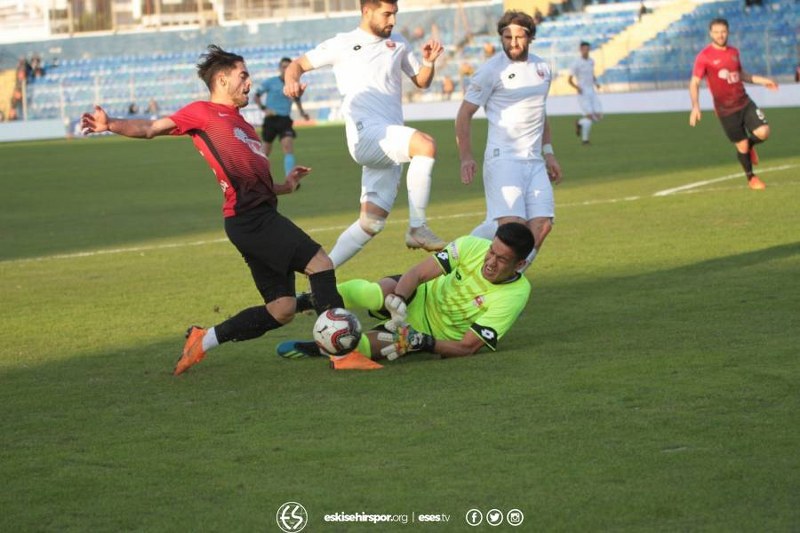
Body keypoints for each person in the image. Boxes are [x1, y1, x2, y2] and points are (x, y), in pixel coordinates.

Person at [80, 45, 346, 376]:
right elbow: (150, 128)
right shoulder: (202, 113)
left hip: (252, 219)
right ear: (222, 79)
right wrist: (111, 123)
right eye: (243, 75)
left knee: (282, 309)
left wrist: (286, 186)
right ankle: (343, 353)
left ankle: (201, 341)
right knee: (321, 263)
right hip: (252, 220)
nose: (249, 82)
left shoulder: (244, 126)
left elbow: (255, 182)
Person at [283, 0, 448, 267]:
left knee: (371, 223)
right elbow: (297, 65)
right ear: (366, 11)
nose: (392, 20)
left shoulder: (399, 43)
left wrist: (428, 62)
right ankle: (418, 227)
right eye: (386, 14)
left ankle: (321, 276)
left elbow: (421, 81)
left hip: (388, 140)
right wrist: (292, 81)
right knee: (425, 145)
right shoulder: (342, 43)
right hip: (367, 134)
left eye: (395, 14)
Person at [278, 222, 534, 366]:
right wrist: (398, 299)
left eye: (501, 260)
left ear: (520, 264)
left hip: (428, 334)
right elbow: (418, 274)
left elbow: (468, 347)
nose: (490, 261)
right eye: (491, 251)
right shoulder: (471, 245)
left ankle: (323, 346)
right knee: (374, 294)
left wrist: (423, 342)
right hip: (419, 295)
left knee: (362, 346)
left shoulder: (515, 295)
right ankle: (310, 299)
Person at [455, 10, 562, 272]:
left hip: (534, 161)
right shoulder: (490, 71)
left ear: (530, 37)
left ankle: (510, 278)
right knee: (511, 229)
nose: (513, 42)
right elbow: (464, 114)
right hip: (503, 159)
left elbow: (541, 113)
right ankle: (456, 260)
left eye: (519, 36)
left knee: (542, 225)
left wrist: (548, 153)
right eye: (507, 36)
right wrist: (466, 157)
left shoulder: (542, 69)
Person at [689, 18, 778, 190]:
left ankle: (751, 146)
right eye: (716, 32)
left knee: (764, 132)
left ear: (728, 32)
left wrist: (764, 81)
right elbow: (694, 82)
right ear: (710, 33)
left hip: (744, 102)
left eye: (723, 31)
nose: (720, 35)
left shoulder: (734, 52)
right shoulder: (704, 57)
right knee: (741, 145)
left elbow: (742, 74)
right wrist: (695, 105)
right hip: (726, 110)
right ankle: (751, 178)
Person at [254, 57, 310, 178]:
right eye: (283, 67)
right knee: (265, 151)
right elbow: (256, 96)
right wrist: (264, 108)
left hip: (285, 120)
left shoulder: (293, 84)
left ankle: (290, 178)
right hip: (271, 120)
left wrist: (302, 112)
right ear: (280, 68)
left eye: (288, 67)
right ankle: (257, 177)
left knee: (287, 147)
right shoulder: (270, 82)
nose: (285, 69)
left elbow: (297, 99)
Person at [568, 41, 602, 145]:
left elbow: (592, 74)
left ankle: (579, 123)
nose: (586, 51)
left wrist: (596, 83)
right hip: (583, 92)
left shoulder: (591, 61)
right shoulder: (576, 63)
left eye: (588, 49)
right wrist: (577, 87)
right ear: (581, 50)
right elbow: (569, 79)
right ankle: (585, 140)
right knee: (590, 117)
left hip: (592, 91)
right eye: (584, 49)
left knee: (598, 116)